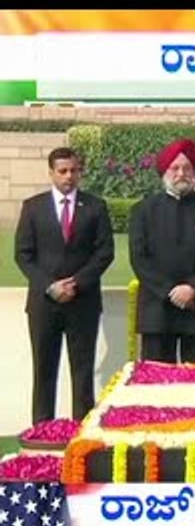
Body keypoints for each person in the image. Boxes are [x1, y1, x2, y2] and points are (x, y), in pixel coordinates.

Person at [14, 147, 115, 424]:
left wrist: (77, 284)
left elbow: (104, 252)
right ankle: (42, 430)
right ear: (51, 173)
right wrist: (50, 286)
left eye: (74, 170)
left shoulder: (95, 206)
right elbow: (23, 255)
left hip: (83, 303)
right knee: (44, 369)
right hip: (44, 304)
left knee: (82, 372)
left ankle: (82, 434)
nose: (69, 176)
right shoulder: (33, 207)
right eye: (63, 171)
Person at [128, 138, 195, 364]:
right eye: (175, 168)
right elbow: (139, 259)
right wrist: (170, 291)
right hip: (157, 310)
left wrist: (193, 287)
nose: (181, 173)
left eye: (187, 168)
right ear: (164, 172)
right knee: (157, 384)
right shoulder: (143, 210)